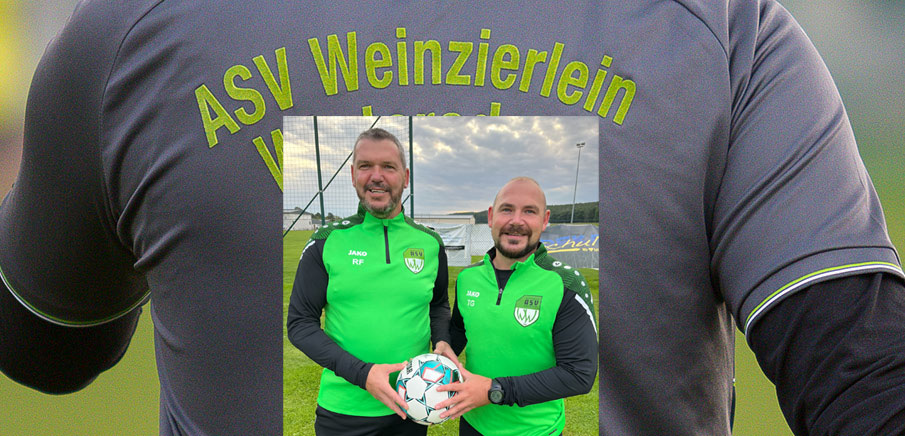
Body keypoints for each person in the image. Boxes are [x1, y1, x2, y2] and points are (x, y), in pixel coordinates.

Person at [3, 1, 904, 435]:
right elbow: (865, 385)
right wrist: (367, 373)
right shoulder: (717, 29)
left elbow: (47, 342)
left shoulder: (132, 32)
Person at [286, 127, 455, 435]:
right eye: (366, 166)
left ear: (405, 177)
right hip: (344, 411)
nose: (377, 176)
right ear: (353, 175)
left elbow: (438, 305)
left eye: (388, 167)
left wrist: (443, 339)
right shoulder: (326, 242)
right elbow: (300, 325)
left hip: (411, 407)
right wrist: (363, 374)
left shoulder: (430, 243)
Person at [436, 177, 597, 436]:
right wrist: (442, 347)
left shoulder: (565, 283)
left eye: (529, 211)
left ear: (544, 220)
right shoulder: (468, 278)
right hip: (473, 424)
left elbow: (579, 375)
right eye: (507, 209)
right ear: (491, 216)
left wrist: (494, 390)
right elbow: (459, 329)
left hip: (535, 430)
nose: (516, 221)